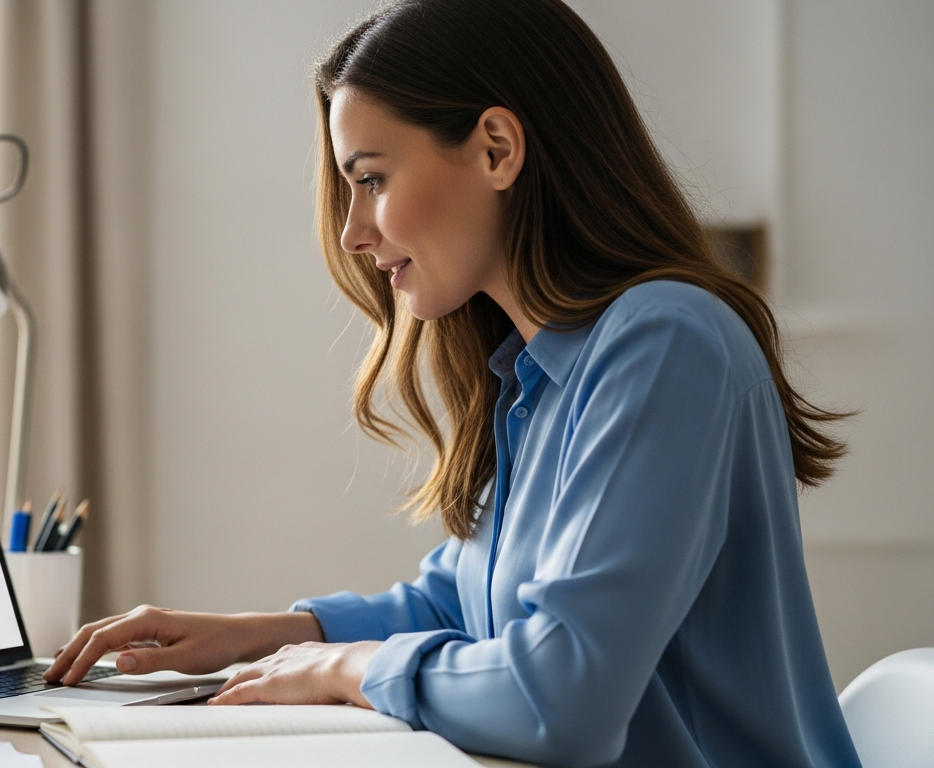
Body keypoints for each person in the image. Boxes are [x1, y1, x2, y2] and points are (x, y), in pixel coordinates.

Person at [44, 1, 862, 765]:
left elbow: (562, 697)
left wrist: (347, 667)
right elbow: (469, 602)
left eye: (370, 179)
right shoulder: (532, 373)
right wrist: (257, 636)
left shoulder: (666, 342)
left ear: (497, 149)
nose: (352, 231)